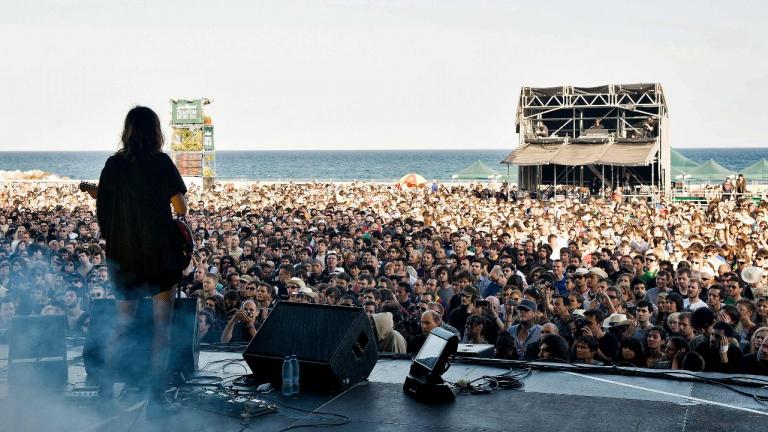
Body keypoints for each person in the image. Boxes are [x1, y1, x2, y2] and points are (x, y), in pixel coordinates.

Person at [94, 106, 188, 417]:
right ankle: (156, 402)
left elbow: (103, 212)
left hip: (124, 256)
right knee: (162, 329)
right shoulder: (161, 162)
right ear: (156, 131)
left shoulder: (112, 164)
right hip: (159, 254)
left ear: (128, 131)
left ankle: (104, 394)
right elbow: (181, 207)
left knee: (121, 325)